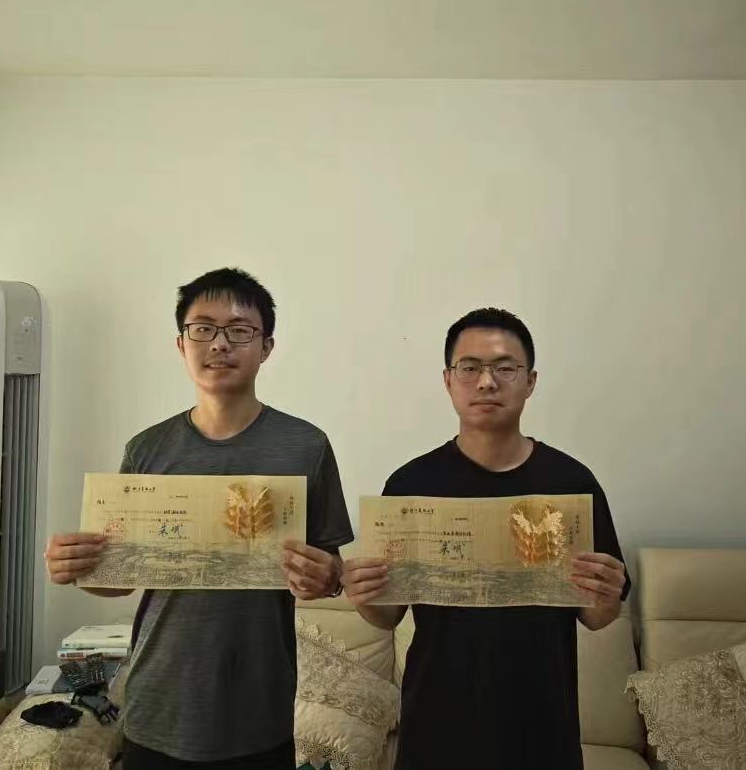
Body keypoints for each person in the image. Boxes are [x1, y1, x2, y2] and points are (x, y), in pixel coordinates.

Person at [44, 268, 353, 770]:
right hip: (157, 702)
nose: (219, 344)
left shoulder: (306, 446)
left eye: (239, 330)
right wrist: (76, 566)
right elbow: (119, 580)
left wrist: (328, 576)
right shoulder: (147, 449)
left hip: (260, 708)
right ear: (181, 343)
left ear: (266, 347)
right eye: (203, 328)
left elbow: (332, 570)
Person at [341, 307, 630, 769]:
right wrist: (363, 595)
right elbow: (386, 616)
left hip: (542, 720)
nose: (487, 382)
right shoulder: (411, 484)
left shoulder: (571, 483)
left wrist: (607, 594)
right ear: (448, 380)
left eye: (505, 368)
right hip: (436, 720)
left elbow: (597, 617)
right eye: (470, 368)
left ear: (530, 381)